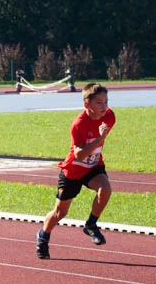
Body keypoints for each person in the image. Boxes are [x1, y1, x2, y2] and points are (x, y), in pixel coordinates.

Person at [35, 82, 115, 259]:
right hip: (73, 171)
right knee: (60, 213)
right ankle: (43, 236)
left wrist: (100, 139)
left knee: (106, 189)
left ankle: (91, 225)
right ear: (87, 105)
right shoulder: (79, 124)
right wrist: (100, 138)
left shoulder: (109, 117)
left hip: (94, 167)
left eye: (106, 101)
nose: (104, 106)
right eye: (99, 103)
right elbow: (79, 155)